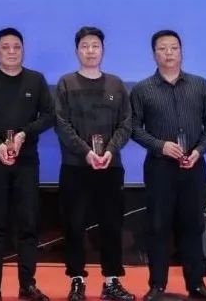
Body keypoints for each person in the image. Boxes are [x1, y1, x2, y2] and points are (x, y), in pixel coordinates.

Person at [129, 30, 206, 301]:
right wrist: (160, 145)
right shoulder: (142, 89)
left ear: (181, 51)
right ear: (154, 54)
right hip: (160, 168)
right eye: (162, 48)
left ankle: (196, 285)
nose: (168, 53)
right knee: (158, 226)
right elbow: (133, 128)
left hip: (194, 167)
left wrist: (199, 150)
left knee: (194, 226)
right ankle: (157, 286)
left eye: (173, 48)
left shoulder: (199, 85)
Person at [0, 28, 54, 301]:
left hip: (26, 163)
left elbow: (49, 115)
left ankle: (27, 284)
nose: (12, 51)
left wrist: (25, 133)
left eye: (17, 46)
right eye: (5, 47)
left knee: (28, 225)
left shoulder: (36, 80)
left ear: (23, 51)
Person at [53, 27, 135, 301]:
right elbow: (61, 124)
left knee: (111, 225)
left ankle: (112, 281)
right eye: (85, 46)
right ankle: (76, 280)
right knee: (74, 225)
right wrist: (86, 152)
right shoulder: (66, 83)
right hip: (75, 166)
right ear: (77, 51)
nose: (90, 51)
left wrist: (110, 150)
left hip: (110, 167)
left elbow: (126, 123)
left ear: (103, 50)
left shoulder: (115, 84)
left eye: (95, 46)